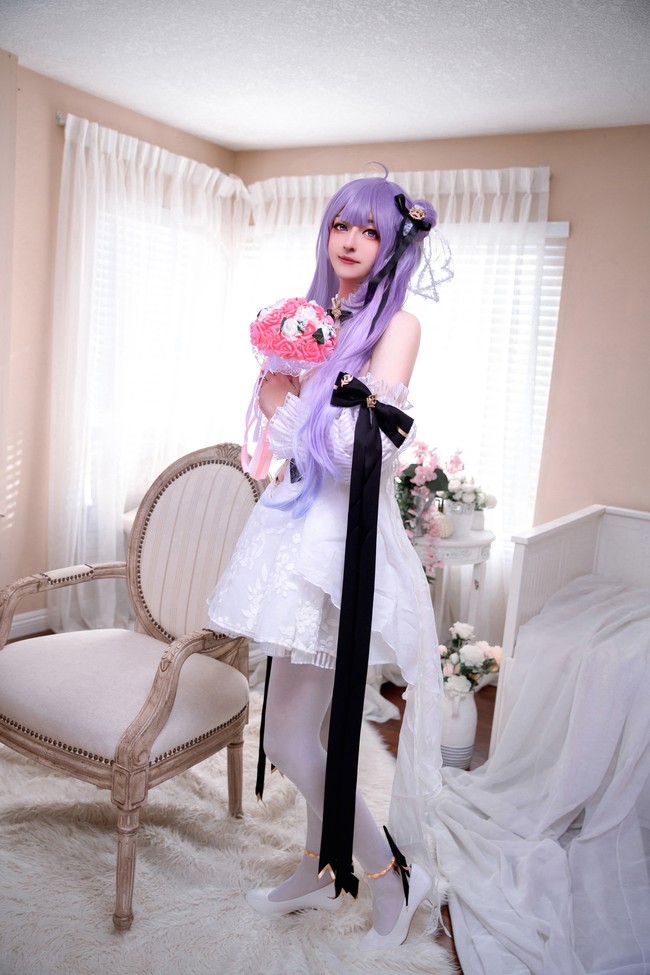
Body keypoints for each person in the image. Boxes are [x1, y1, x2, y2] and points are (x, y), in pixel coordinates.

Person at [207, 174, 445, 951]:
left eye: (371, 230)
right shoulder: (314, 315)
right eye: (342, 223)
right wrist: (283, 392)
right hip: (293, 535)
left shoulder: (398, 325)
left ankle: (387, 872)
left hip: (337, 548)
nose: (351, 240)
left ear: (394, 244)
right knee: (300, 725)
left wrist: (291, 394)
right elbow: (290, 445)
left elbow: (355, 449)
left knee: (288, 737)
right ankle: (317, 868)